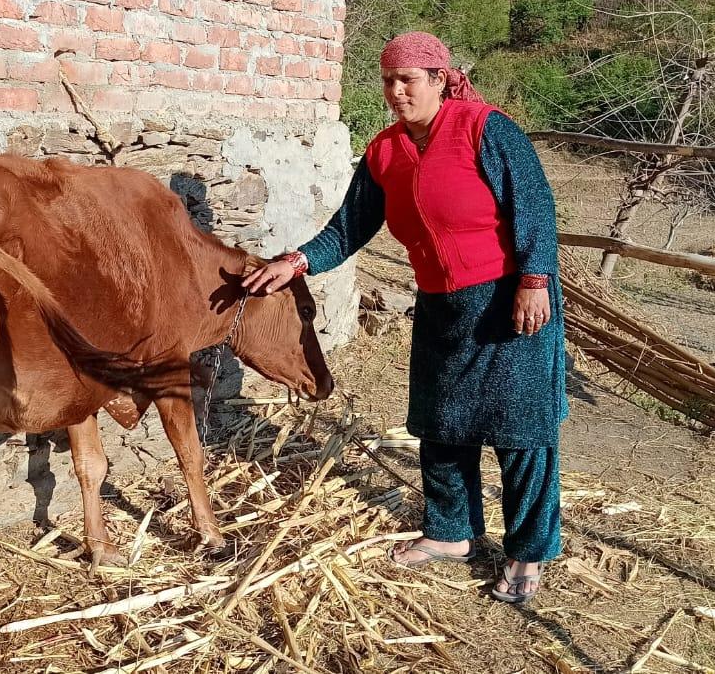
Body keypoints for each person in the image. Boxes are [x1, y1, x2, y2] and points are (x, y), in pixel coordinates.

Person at [243, 31, 567, 605]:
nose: (396, 92)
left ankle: (527, 551)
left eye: (407, 80)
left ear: (439, 80)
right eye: (388, 81)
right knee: (440, 423)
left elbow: (535, 207)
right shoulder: (385, 151)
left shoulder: (485, 129)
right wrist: (296, 262)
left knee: (521, 430)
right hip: (442, 305)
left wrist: (535, 281)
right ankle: (451, 533)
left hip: (509, 299)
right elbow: (348, 228)